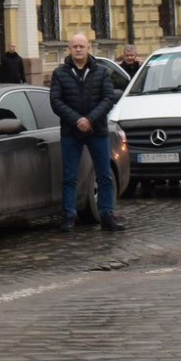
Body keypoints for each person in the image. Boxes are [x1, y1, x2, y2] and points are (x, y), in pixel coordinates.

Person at [49, 32, 124, 231]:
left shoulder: (101, 72)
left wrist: (90, 119)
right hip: (71, 132)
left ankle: (107, 214)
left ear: (89, 48)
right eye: (75, 46)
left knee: (104, 175)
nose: (79, 49)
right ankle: (69, 216)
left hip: (97, 130)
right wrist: (77, 120)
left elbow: (108, 98)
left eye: (82, 46)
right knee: (69, 176)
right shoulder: (60, 73)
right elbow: (56, 102)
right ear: (69, 49)